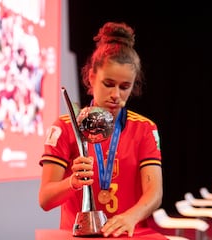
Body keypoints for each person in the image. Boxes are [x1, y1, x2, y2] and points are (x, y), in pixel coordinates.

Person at [38, 21, 163, 238]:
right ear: (91, 77)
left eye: (125, 87)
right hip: (79, 236)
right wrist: (72, 183)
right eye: (108, 83)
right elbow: (45, 200)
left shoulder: (144, 128)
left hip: (129, 234)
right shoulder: (65, 127)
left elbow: (154, 193)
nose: (116, 94)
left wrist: (131, 217)